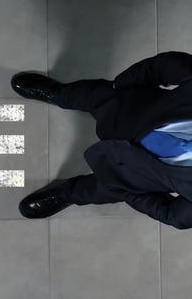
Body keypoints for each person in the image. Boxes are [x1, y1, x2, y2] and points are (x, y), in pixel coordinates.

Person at [11, 51, 192, 230]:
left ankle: (66, 195)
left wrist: (130, 194)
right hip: (131, 108)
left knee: (99, 189)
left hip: (132, 176)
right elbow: (170, 64)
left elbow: (175, 216)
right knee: (91, 95)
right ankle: (57, 94)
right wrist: (125, 83)